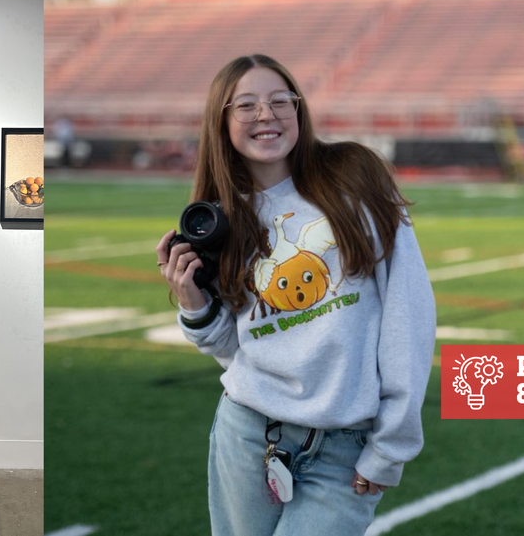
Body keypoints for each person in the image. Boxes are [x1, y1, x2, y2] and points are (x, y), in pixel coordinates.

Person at [154, 55, 435, 536]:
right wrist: (192, 303)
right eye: (246, 105)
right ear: (221, 122)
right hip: (246, 434)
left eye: (280, 100)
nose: (266, 114)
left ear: (299, 110)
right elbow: (232, 348)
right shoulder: (218, 219)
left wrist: (392, 445)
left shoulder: (355, 176)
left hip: (344, 444)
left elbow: (409, 316)